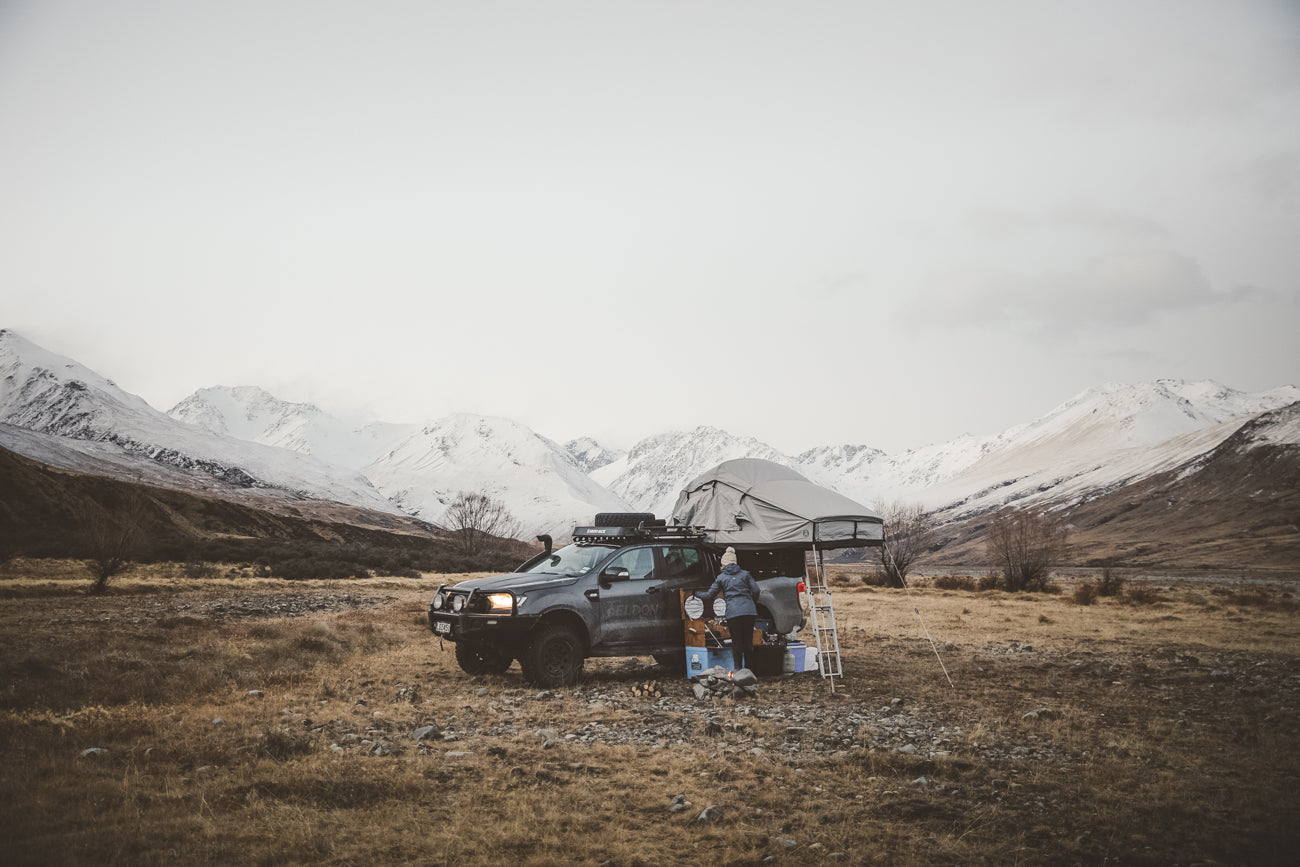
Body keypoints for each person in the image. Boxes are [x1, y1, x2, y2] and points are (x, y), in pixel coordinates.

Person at [697, 547, 762, 673]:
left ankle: (738, 669)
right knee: (748, 642)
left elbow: (709, 595)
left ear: (724, 563)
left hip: (733, 613)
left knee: (737, 642)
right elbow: (756, 590)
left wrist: (696, 593)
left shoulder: (721, 578)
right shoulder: (745, 574)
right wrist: (752, 602)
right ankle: (750, 672)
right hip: (749, 611)